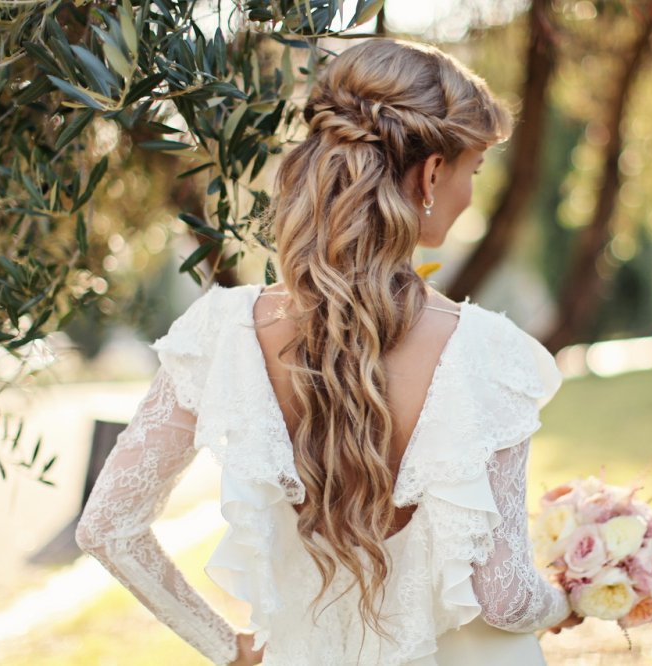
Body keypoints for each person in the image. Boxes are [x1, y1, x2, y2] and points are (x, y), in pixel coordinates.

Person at [75, 38, 582, 666]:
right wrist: (569, 600)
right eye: (473, 169)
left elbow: (107, 527)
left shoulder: (222, 334)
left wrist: (229, 647)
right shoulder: (489, 353)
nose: (470, 193)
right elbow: (504, 597)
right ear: (429, 174)